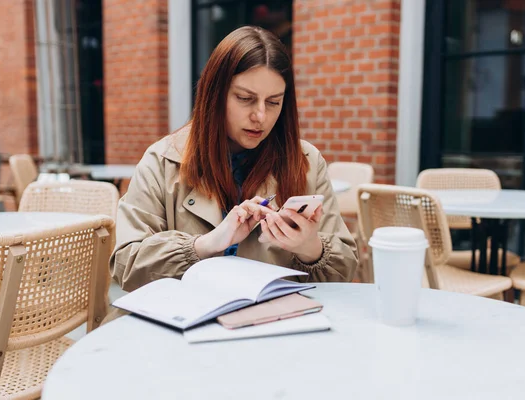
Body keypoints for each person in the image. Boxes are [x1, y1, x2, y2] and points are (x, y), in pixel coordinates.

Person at [111, 26, 358, 293]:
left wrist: (310, 248)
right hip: (186, 323)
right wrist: (204, 245)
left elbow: (345, 269)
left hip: (274, 323)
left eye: (274, 102)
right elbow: (126, 265)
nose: (260, 116)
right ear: (214, 95)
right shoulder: (163, 160)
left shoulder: (306, 161)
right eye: (245, 98)